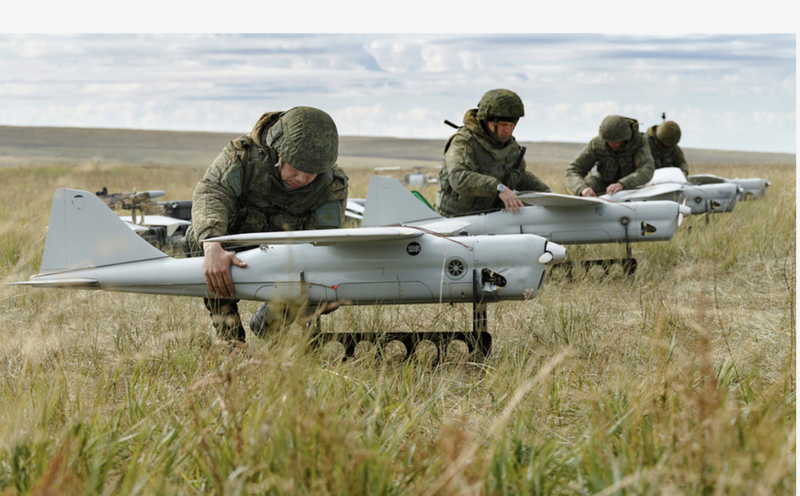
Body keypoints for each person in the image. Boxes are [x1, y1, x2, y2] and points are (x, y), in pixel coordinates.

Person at [179, 107, 349, 343]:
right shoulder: (243, 157)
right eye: (296, 168)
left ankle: (275, 330)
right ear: (278, 152)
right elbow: (212, 193)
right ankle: (229, 339)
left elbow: (324, 247)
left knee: (329, 276)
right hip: (239, 245)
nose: (302, 179)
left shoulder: (331, 185)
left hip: (292, 257)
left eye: (312, 173)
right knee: (197, 241)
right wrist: (212, 243)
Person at [434, 89, 550, 216]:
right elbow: (459, 178)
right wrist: (498, 188)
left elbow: (519, 175)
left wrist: (547, 193)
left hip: (491, 218)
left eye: (511, 125)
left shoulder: (510, 147)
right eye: (503, 125)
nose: (508, 131)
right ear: (487, 120)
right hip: (453, 220)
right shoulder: (464, 143)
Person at [565, 115, 655, 197]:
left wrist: (623, 184)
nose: (611, 144)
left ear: (625, 138)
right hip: (603, 185)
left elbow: (647, 170)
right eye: (608, 141)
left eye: (615, 141)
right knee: (590, 184)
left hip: (631, 187)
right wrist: (582, 189)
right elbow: (574, 169)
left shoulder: (639, 143)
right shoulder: (596, 144)